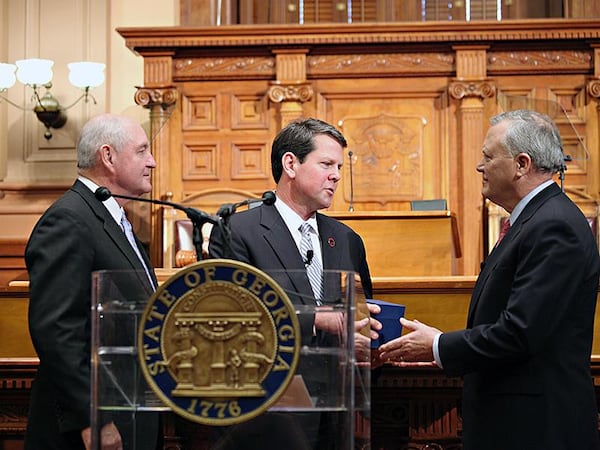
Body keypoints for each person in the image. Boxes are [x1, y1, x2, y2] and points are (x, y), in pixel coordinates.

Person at [378, 109, 600, 450]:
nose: (479, 167)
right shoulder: (534, 221)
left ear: (521, 164)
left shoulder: (553, 226)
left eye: (487, 157)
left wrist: (438, 346)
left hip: (536, 428)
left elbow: (519, 332)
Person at [209, 117, 381, 448]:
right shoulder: (238, 231)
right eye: (327, 164)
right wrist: (317, 319)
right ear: (291, 163)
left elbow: (358, 317)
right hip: (269, 411)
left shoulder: (346, 239)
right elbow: (228, 318)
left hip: (338, 410)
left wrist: (367, 343)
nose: (337, 175)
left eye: (339, 167)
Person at [24, 114, 160, 450]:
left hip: (130, 408)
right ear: (108, 157)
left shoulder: (114, 219)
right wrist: (91, 418)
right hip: (90, 428)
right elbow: (58, 331)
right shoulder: (68, 220)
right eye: (142, 151)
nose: (152, 162)